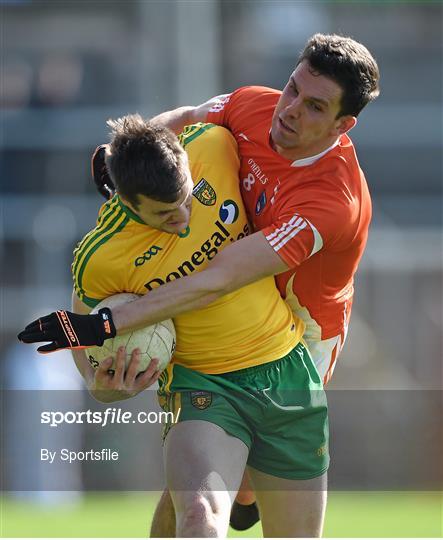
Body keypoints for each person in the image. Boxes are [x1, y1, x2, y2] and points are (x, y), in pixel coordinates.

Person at [19, 32, 379, 534]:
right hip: (217, 340)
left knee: (230, 487)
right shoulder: (256, 105)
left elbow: (219, 278)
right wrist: (121, 156)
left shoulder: (332, 200)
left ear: (343, 126)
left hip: (302, 327)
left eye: (314, 106)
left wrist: (104, 324)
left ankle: (246, 494)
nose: (290, 109)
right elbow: (189, 116)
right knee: (200, 495)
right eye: (293, 87)